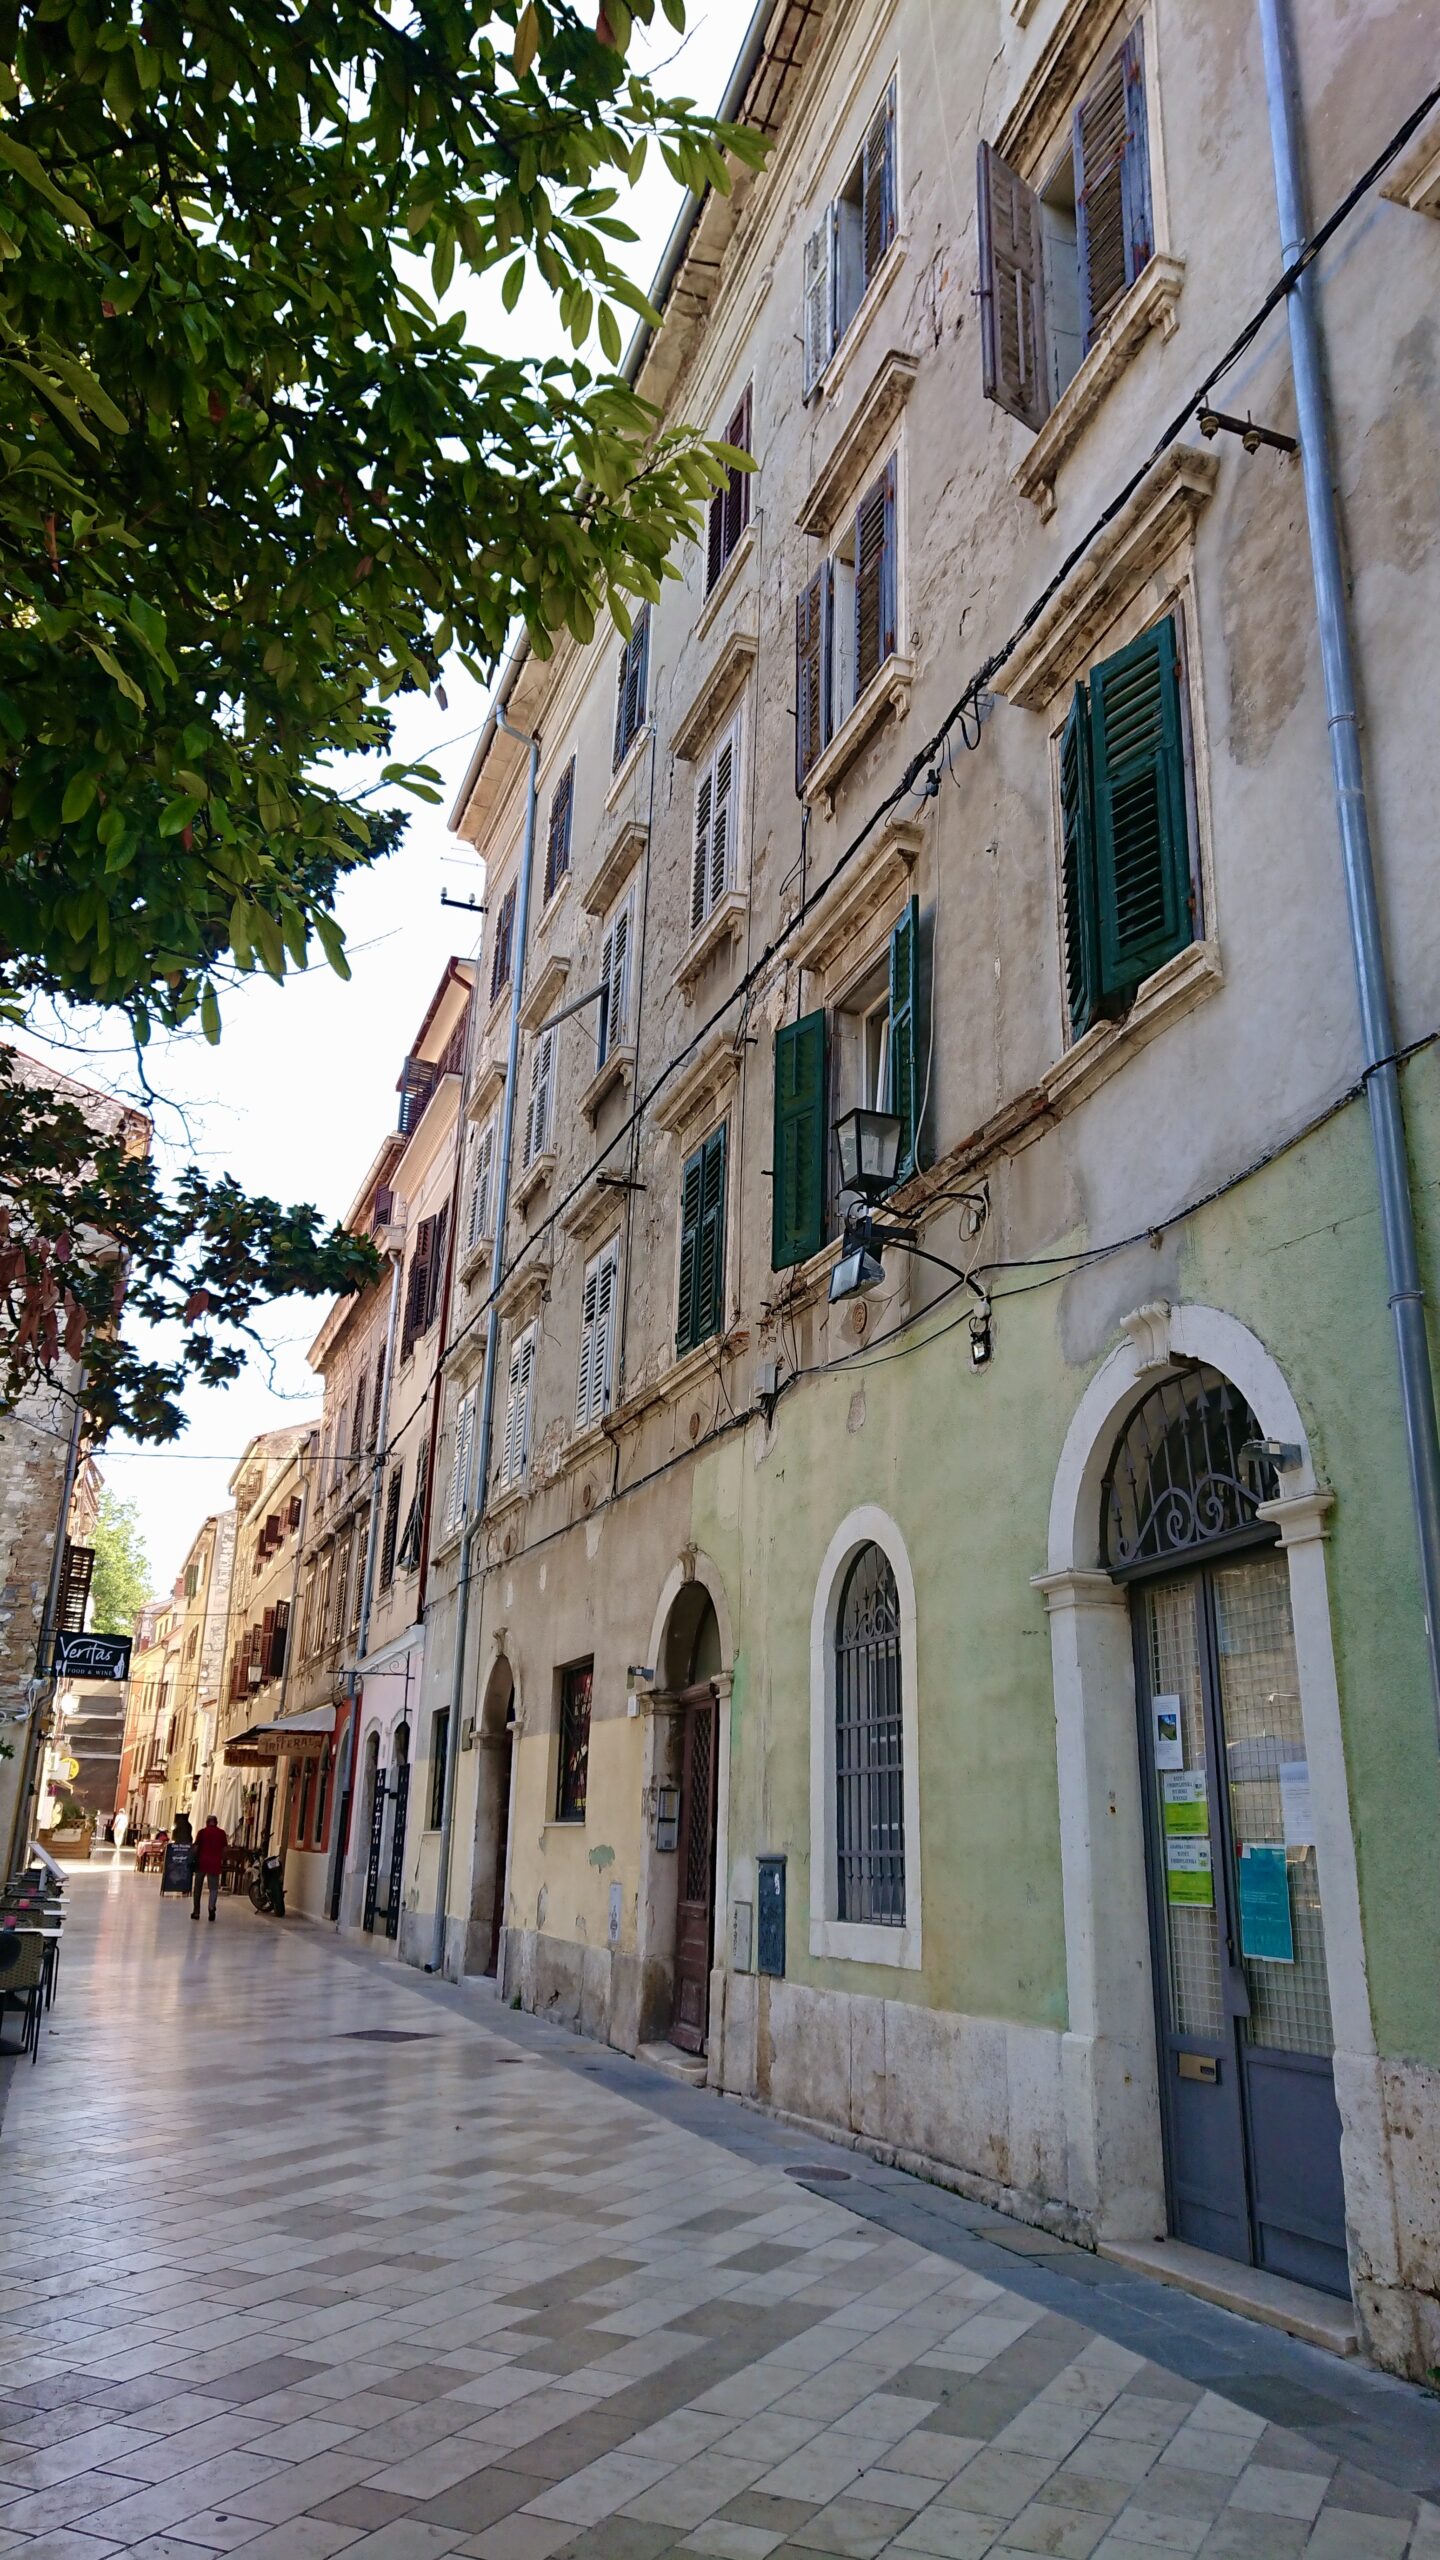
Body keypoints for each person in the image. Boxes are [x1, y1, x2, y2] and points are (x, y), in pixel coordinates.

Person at [190, 1814, 227, 1922]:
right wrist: (220, 1857)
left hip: (201, 1863)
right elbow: (225, 1850)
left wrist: (192, 1857)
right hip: (214, 1863)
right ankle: (211, 1907)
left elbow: (196, 1848)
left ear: (207, 1822)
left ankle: (196, 1912)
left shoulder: (201, 1832)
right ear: (216, 1822)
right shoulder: (221, 1833)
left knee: (197, 1888)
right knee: (213, 1888)